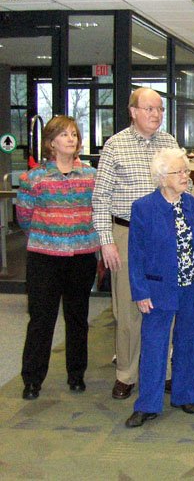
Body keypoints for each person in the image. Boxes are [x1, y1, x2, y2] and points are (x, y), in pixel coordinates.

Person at [93, 87, 179, 400]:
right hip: (126, 235)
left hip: (164, 235)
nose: (155, 115)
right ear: (133, 111)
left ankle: (162, 370)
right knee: (128, 309)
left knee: (163, 304)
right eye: (148, 109)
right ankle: (126, 373)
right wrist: (107, 242)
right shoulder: (115, 145)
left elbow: (183, 183)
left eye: (159, 109)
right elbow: (100, 198)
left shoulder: (169, 143)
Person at [124, 148, 194, 428]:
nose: (186, 177)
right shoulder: (143, 207)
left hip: (192, 286)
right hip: (159, 289)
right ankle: (148, 404)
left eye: (186, 171)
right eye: (180, 172)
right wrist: (140, 291)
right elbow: (135, 254)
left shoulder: (192, 203)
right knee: (154, 347)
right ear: (162, 177)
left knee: (189, 343)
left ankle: (184, 395)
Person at [16, 116, 99, 400]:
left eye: (74, 134)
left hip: (81, 256)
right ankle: (32, 380)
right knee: (41, 319)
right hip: (44, 258)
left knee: (77, 317)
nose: (71, 139)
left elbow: (97, 213)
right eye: (64, 135)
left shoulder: (90, 175)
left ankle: (76, 375)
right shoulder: (34, 178)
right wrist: (49, 236)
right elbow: (24, 217)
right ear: (51, 143)